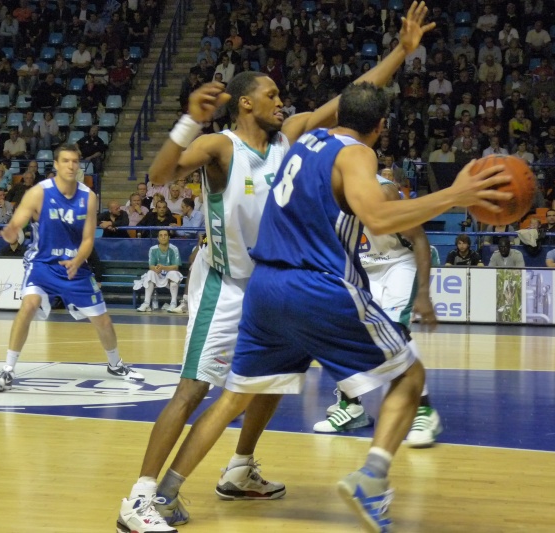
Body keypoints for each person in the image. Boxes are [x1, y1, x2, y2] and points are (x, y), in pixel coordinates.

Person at [117, 4, 442, 530]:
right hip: (225, 283)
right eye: (271, 94)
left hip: (271, 283)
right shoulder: (220, 145)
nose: (282, 100)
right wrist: (189, 120)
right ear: (245, 102)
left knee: (271, 381)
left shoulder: (292, 135)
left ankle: (240, 468)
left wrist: (401, 53)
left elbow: (353, 99)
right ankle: (141, 496)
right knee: (194, 389)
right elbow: (160, 175)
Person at [149, 83, 510, 532]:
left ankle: (165, 494)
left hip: (264, 288)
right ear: (379, 127)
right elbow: (378, 217)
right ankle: (372, 478)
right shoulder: (356, 153)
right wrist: (456, 195)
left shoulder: (302, 143)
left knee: (234, 398)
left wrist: (400, 51)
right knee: (410, 375)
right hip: (315, 286)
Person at [0, 145, 144, 391]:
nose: (71, 165)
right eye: (66, 161)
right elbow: (19, 218)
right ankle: (7, 370)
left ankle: (115, 363)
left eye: (75, 161)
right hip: (43, 263)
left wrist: (79, 259)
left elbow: (89, 239)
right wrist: (12, 229)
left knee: (102, 321)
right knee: (28, 306)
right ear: (56, 166)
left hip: (75, 266)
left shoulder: (88, 197)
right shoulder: (39, 193)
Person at [312, 174, 443, 448]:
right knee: (343, 331)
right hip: (360, 268)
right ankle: (351, 407)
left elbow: (419, 239)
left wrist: (422, 293)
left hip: (397, 264)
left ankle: (424, 410)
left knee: (395, 332)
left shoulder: (383, 193)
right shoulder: (323, 190)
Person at [134, 229, 183, 312]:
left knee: (173, 273)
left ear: (169, 237)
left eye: (165, 235)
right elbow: (151, 266)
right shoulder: (153, 249)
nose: (163, 237)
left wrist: (163, 267)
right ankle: (146, 303)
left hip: (169, 277)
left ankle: (173, 303)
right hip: (158, 275)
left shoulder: (174, 249)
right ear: (158, 238)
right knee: (150, 273)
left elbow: (176, 267)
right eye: (161, 235)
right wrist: (156, 269)